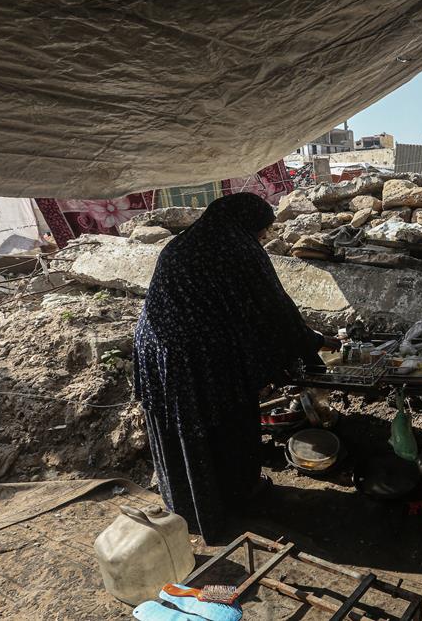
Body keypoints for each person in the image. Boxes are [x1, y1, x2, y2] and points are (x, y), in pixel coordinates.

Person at [132, 192, 337, 540]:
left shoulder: (185, 243)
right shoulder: (237, 248)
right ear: (248, 222)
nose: (263, 236)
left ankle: (188, 503)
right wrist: (315, 343)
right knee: (226, 420)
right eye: (263, 229)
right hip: (198, 358)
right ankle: (235, 497)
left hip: (156, 350)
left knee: (180, 427)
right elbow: (273, 312)